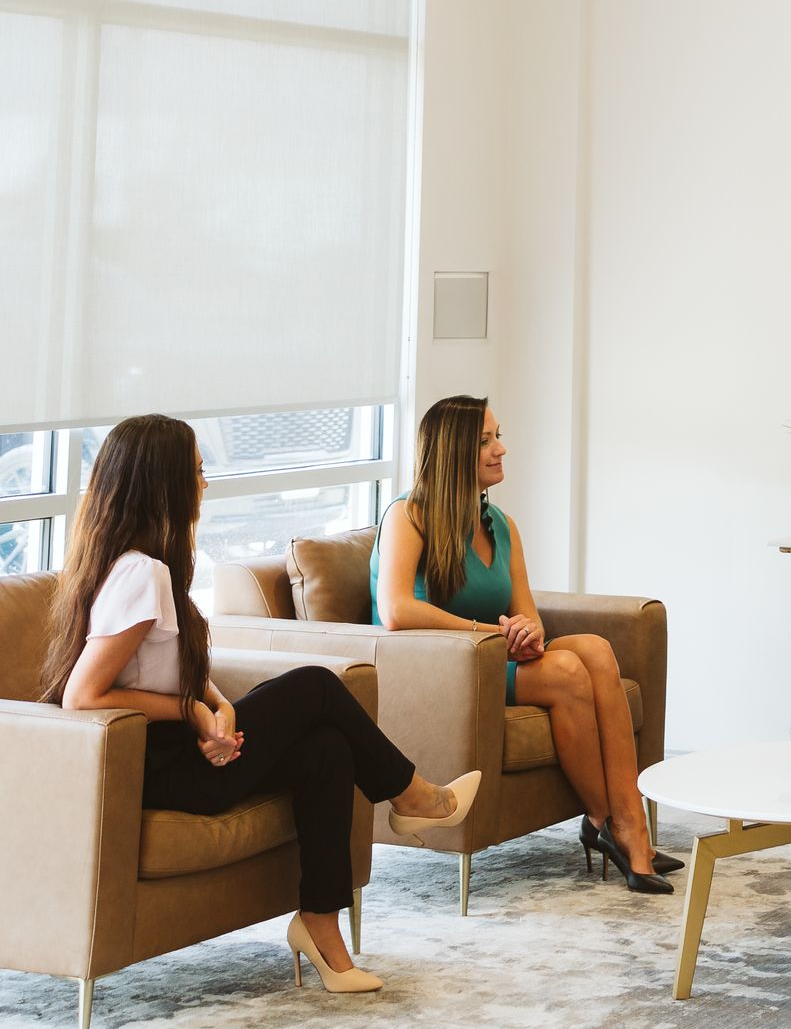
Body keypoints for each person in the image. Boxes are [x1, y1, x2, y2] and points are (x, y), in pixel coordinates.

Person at [44, 413, 478, 995]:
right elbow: (82, 696)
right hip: (159, 770)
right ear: (163, 482)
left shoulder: (148, 566)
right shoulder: (140, 574)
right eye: (197, 470)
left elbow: (181, 668)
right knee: (318, 686)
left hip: (184, 752)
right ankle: (414, 795)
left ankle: (321, 930)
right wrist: (194, 714)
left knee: (326, 749)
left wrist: (217, 706)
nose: (205, 482)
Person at [372, 395, 676, 894]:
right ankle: (607, 825)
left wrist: (527, 630)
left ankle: (629, 823)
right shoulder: (408, 515)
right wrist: (490, 634)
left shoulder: (501, 525)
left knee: (596, 650)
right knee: (567, 673)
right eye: (487, 441)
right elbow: (396, 611)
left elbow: (525, 607)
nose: (501, 450)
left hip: (492, 656)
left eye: (498, 436)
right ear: (453, 453)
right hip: (436, 667)